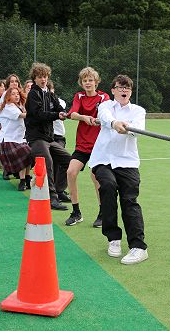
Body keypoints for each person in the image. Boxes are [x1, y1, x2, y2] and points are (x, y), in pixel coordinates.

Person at [89, 74, 148, 265]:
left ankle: (138, 247)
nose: (124, 90)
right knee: (107, 186)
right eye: (120, 87)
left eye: (127, 87)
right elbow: (105, 117)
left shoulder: (138, 111)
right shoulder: (105, 105)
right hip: (103, 159)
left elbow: (139, 128)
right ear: (113, 90)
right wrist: (114, 123)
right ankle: (113, 238)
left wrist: (128, 128)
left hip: (128, 162)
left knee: (129, 200)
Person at [65, 67, 109, 227]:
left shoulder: (104, 97)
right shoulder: (79, 96)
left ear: (96, 82)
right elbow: (72, 114)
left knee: (95, 176)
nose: (88, 83)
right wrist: (85, 117)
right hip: (82, 144)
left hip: (99, 146)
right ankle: (76, 212)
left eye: (90, 80)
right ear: (81, 83)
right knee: (71, 172)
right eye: (85, 81)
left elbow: (105, 116)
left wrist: (97, 119)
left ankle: (103, 213)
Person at [25, 62, 71, 211]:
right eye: (39, 77)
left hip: (49, 138)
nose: (43, 79)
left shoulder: (49, 94)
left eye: (44, 76)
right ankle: (52, 199)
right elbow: (39, 115)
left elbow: (59, 107)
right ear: (34, 78)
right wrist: (57, 115)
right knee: (48, 163)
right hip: (36, 138)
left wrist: (65, 113)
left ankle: (59, 190)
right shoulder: (33, 94)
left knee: (69, 160)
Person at [0, 86, 32, 191]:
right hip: (9, 139)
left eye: (17, 93)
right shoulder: (8, 107)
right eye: (13, 94)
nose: (16, 95)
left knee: (29, 157)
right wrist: (36, 114)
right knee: (25, 155)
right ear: (8, 96)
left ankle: (26, 179)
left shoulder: (19, 106)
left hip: (20, 138)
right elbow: (22, 115)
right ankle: (22, 181)